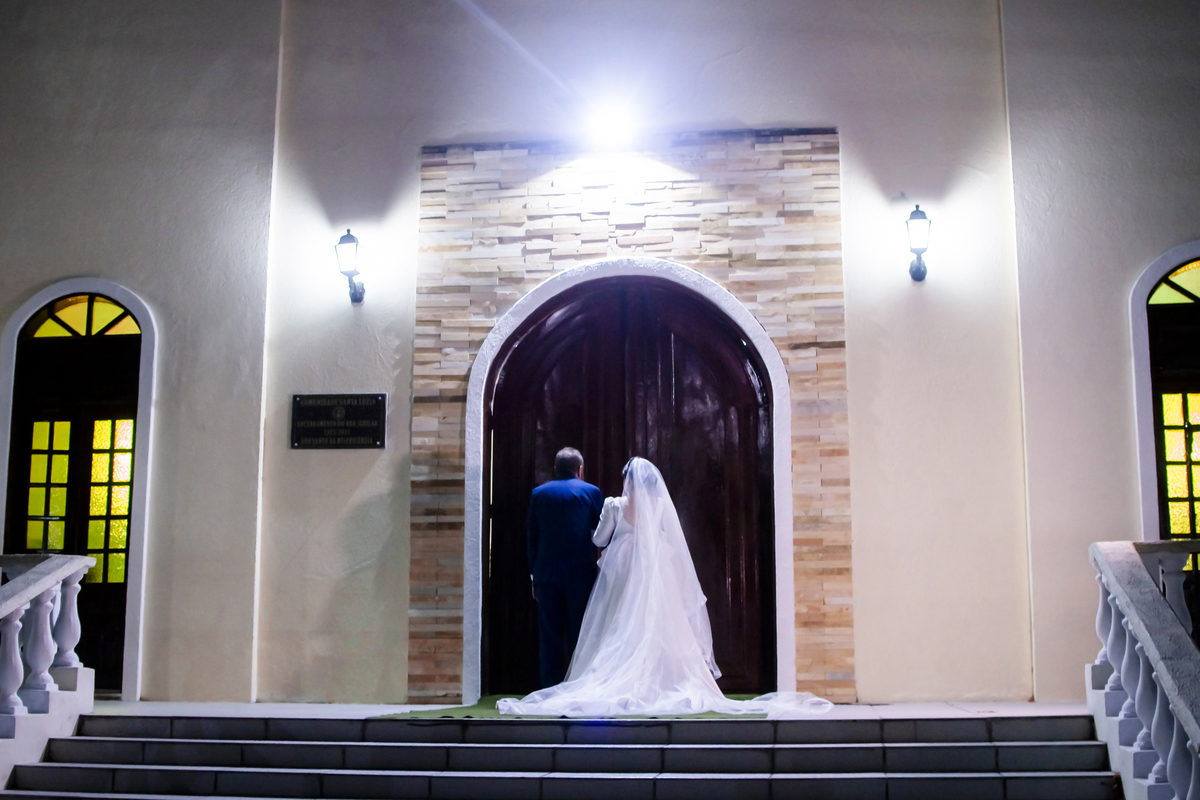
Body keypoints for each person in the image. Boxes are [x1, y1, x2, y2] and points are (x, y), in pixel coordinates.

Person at [499, 457, 831, 718]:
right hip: (654, 565)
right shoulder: (659, 505)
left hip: (620, 567)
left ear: (627, 480)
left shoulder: (614, 504)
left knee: (617, 620)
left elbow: (598, 540)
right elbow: (668, 535)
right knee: (654, 619)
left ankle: (595, 677)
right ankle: (657, 678)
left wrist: (595, 535)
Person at [526, 446, 604, 688]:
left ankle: (549, 688)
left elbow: (532, 535)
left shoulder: (538, 494)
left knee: (549, 636)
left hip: (546, 575)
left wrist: (534, 575)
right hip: (580, 575)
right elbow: (602, 533)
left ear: (555, 468)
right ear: (580, 469)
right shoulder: (591, 492)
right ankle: (579, 686)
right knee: (580, 634)